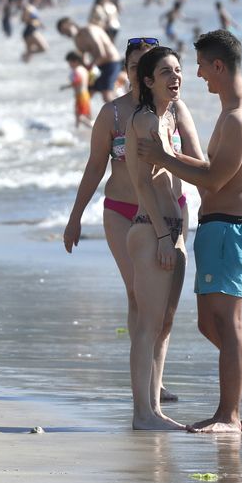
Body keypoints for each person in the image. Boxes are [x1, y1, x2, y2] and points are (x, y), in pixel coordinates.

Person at [136, 31, 242, 433]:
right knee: (209, 324)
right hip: (219, 229)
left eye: (201, 66)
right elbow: (212, 173)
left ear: (218, 65)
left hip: (230, 230)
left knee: (230, 326)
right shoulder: (233, 111)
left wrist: (165, 157)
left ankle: (229, 415)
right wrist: (173, 156)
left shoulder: (239, 117)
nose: (198, 75)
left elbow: (215, 180)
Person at [63, 37, 202, 424]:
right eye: (137, 65)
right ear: (130, 71)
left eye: (152, 65)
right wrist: (75, 217)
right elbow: (95, 167)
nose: (144, 73)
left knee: (166, 312)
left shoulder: (175, 109)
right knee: (140, 300)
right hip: (124, 210)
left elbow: (198, 158)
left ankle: (153, 385)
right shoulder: (115, 114)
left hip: (174, 210)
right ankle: (144, 403)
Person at [121, 46, 192, 429]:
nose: (175, 77)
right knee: (148, 325)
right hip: (151, 229)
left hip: (168, 228)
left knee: (163, 323)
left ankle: (154, 408)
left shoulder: (169, 117)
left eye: (178, 70)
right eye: (166, 72)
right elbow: (143, 183)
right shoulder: (145, 120)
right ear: (148, 81)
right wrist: (165, 235)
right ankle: (142, 413)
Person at [57, 16, 122, 103]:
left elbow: (102, 54)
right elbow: (84, 61)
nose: (66, 34)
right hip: (98, 66)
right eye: (64, 33)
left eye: (66, 30)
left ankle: (121, 114)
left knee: (106, 95)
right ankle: (86, 116)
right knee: (85, 93)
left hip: (111, 63)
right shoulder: (77, 40)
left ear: (71, 24)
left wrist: (89, 69)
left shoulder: (89, 30)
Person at [63, 51, 90, 128]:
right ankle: (77, 132)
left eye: (70, 62)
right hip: (85, 94)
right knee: (78, 115)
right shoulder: (84, 69)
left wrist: (66, 86)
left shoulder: (76, 70)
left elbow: (77, 81)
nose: (69, 64)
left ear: (75, 61)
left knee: (80, 117)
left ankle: (94, 128)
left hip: (80, 96)